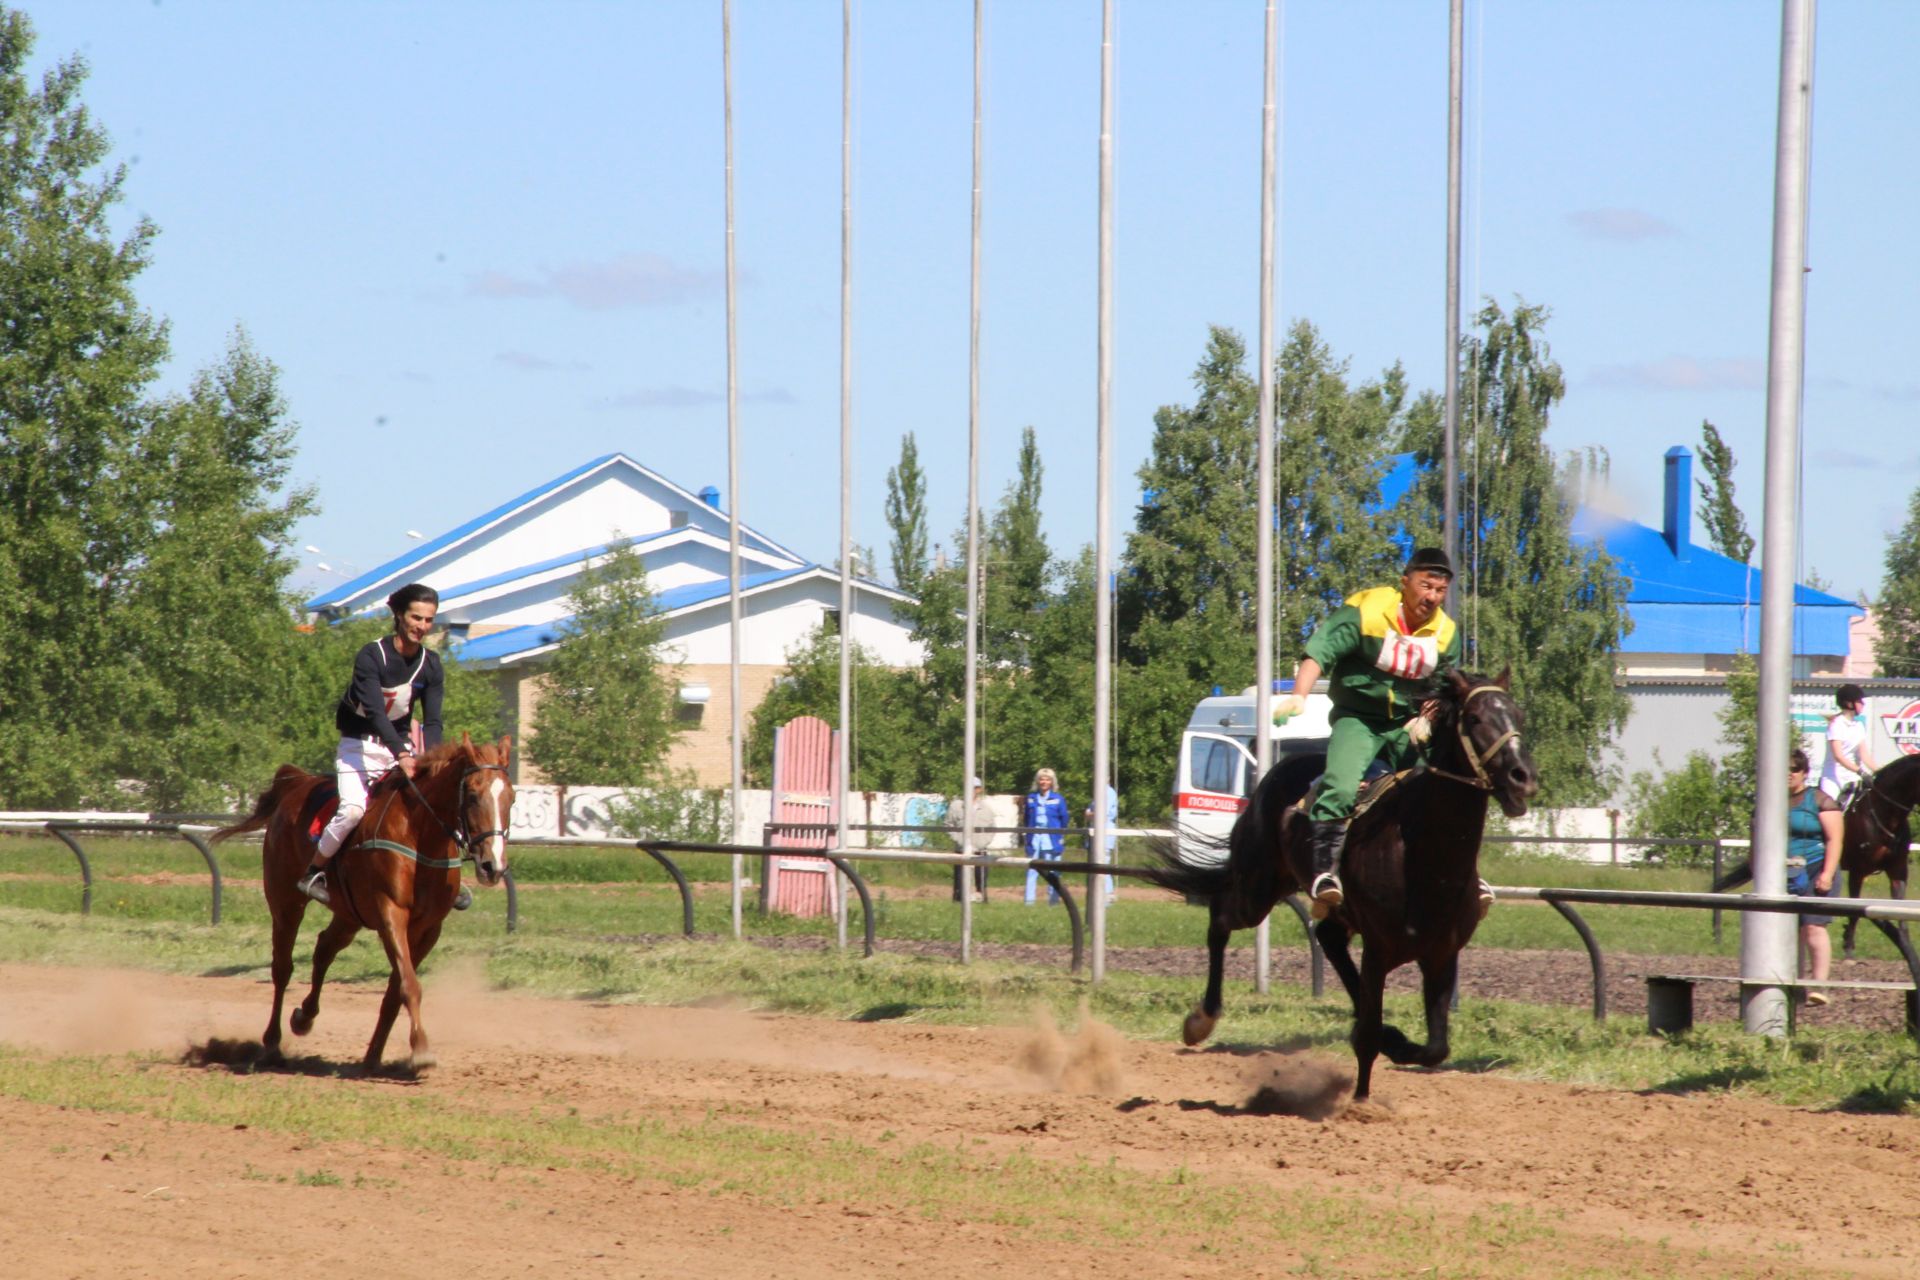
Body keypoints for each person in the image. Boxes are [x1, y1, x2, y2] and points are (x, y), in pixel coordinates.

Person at [1274, 546, 1490, 919]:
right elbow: (1319, 653)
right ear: (1405, 582)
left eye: (1441, 591)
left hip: (1407, 725)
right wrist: (1298, 696)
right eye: (1426, 586)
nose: (1433, 597)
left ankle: (1469, 875)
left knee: (1445, 789)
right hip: (1359, 719)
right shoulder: (1367, 610)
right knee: (1341, 787)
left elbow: (1443, 688)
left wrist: (1430, 713)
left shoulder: (1446, 634)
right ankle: (1325, 874)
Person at [297, 583, 458, 909]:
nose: (422, 627)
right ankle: (315, 871)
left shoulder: (431, 664)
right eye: (416, 618)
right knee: (354, 810)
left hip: (400, 749)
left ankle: (445, 877)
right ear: (399, 615)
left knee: (436, 805)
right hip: (358, 748)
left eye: (428, 620)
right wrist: (402, 753)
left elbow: (434, 722)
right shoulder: (372, 656)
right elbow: (374, 711)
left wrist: (433, 762)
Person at [1783, 746, 1845, 1004]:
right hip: (1785, 871)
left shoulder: (1821, 801)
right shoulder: (1770, 801)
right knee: (1789, 931)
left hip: (1816, 867)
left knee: (1813, 926)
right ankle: (1794, 985)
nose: (1788, 774)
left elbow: (1835, 839)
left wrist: (1827, 874)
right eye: (1784, 769)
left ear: (1804, 773)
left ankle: (1819, 986)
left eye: (1794, 769)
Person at [1819, 683, 1877, 808]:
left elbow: (1864, 755)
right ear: (1849, 704)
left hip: (1852, 777)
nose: (1863, 704)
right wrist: (1860, 771)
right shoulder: (1836, 725)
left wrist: (1879, 771)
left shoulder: (1859, 726)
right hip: (1833, 779)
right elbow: (1838, 756)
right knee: (1830, 809)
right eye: (1859, 701)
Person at [1021, 768, 1072, 905]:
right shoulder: (1031, 798)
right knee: (1032, 869)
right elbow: (1026, 818)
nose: (1044, 782)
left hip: (1051, 838)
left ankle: (1053, 901)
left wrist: (1060, 835)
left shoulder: (1057, 799)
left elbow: (1064, 819)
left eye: (1047, 779)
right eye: (1042, 779)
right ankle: (1029, 901)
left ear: (1052, 782)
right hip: (1034, 838)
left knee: (1052, 870)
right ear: (1038, 781)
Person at [946, 776, 994, 903]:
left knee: (981, 881)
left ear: (979, 790)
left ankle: (983, 901)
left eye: (975, 788)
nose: (971, 790)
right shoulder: (956, 806)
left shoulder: (986, 809)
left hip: (980, 851)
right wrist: (959, 841)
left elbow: (992, 829)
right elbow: (949, 825)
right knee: (959, 881)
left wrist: (982, 843)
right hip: (961, 850)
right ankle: (958, 901)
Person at [1084, 782, 1119, 905]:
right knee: (1096, 866)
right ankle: (1099, 898)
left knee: (1103, 866)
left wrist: (1091, 814)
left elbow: (1101, 814)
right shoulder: (1098, 792)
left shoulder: (1108, 792)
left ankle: (1107, 898)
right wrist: (1091, 814)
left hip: (1105, 833)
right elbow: (1088, 813)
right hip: (1095, 833)